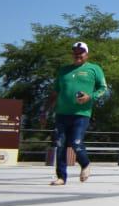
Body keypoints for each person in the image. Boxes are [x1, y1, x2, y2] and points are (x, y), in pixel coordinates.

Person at [45, 41, 108, 186]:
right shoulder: (63, 70)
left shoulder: (94, 69)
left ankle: (85, 164)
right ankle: (61, 177)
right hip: (62, 113)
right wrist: (45, 110)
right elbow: (55, 92)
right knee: (60, 144)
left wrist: (90, 96)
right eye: (75, 52)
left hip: (82, 113)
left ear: (87, 54)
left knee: (76, 142)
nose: (78, 55)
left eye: (81, 52)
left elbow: (103, 88)